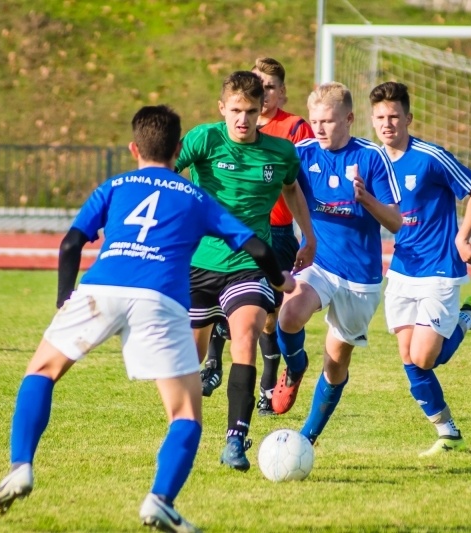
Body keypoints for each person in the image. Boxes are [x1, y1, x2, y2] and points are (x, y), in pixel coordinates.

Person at [0, 105, 295, 532]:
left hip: (100, 289)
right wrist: (280, 282)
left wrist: (65, 300)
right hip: (160, 299)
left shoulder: (115, 185)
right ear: (179, 149)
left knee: (42, 371)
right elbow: (258, 248)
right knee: (185, 415)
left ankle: (20, 466)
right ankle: (160, 500)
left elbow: (72, 243)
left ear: (134, 148)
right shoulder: (196, 197)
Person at [175, 71, 316, 471]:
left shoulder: (279, 152)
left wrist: (309, 237)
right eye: (235, 110)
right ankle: (185, 424)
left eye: (250, 111)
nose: (242, 119)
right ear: (222, 108)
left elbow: (292, 190)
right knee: (191, 354)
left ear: (261, 112)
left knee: (247, 336)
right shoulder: (205, 138)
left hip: (249, 264)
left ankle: (235, 440)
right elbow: (165, 169)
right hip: (198, 264)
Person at [369, 81, 471, 457]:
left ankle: (469, 316)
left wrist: (462, 237)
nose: (387, 123)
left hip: (441, 266)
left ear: (408, 118)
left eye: (394, 116)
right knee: (410, 361)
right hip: (402, 268)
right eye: (380, 117)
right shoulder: (373, 161)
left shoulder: (430, 157)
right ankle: (448, 433)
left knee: (425, 357)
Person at [271, 82, 403, 446]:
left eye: (328, 121)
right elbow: (284, 187)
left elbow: (395, 221)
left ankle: (307, 438)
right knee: (290, 313)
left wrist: (366, 199)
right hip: (319, 262)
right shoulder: (302, 154)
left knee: (336, 363)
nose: (319, 128)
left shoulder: (372, 157)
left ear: (348, 118)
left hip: (360, 279)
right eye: (314, 121)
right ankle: (295, 368)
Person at [200, 57, 316, 418]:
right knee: (216, 315)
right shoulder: (213, 136)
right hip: (210, 250)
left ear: (279, 93)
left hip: (272, 238)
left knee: (262, 319)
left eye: (267, 88)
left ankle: (264, 388)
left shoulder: (294, 131)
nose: (260, 97)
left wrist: (310, 234)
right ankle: (212, 366)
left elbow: (297, 183)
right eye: (256, 87)